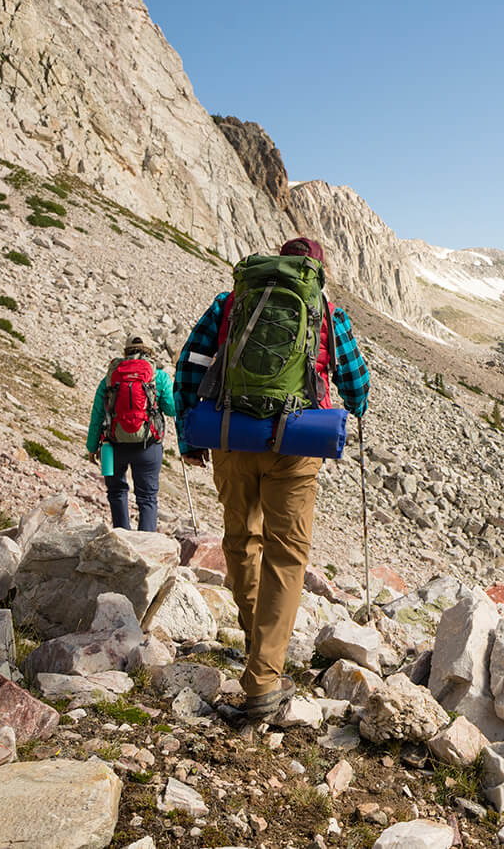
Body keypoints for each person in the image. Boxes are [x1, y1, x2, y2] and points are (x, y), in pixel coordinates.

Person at [175, 237, 369, 720]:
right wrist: (356, 408)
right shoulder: (327, 312)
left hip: (230, 436)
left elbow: (189, 367)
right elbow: (355, 382)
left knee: (241, 540)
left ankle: (256, 646)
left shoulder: (230, 303)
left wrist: (188, 436)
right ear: (317, 272)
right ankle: (264, 677)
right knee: (287, 555)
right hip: (295, 443)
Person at [86, 335, 176, 532]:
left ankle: (121, 539)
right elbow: (171, 409)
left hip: (111, 447)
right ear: (150, 352)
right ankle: (147, 547)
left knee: (115, 492)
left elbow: (97, 415)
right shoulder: (159, 377)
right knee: (148, 498)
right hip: (148, 446)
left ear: (125, 351)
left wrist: (92, 447)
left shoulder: (110, 377)